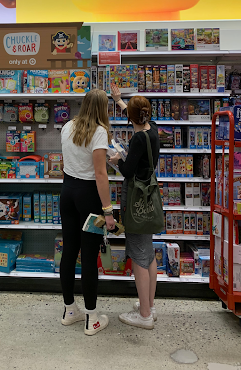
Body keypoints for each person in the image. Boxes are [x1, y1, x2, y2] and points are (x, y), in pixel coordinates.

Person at [60, 89, 116, 336]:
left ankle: (70, 310)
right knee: (90, 256)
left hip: (68, 192)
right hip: (88, 196)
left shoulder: (68, 126)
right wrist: (108, 211)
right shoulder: (100, 131)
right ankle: (92, 318)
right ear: (102, 108)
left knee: (69, 251)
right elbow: (100, 174)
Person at [109, 83, 160, 330]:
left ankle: (144, 316)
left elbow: (128, 171)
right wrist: (120, 100)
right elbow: (136, 116)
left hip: (136, 196)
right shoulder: (153, 130)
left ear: (131, 117)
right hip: (149, 195)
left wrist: (118, 159)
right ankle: (148, 305)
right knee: (148, 251)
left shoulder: (138, 138)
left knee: (138, 255)